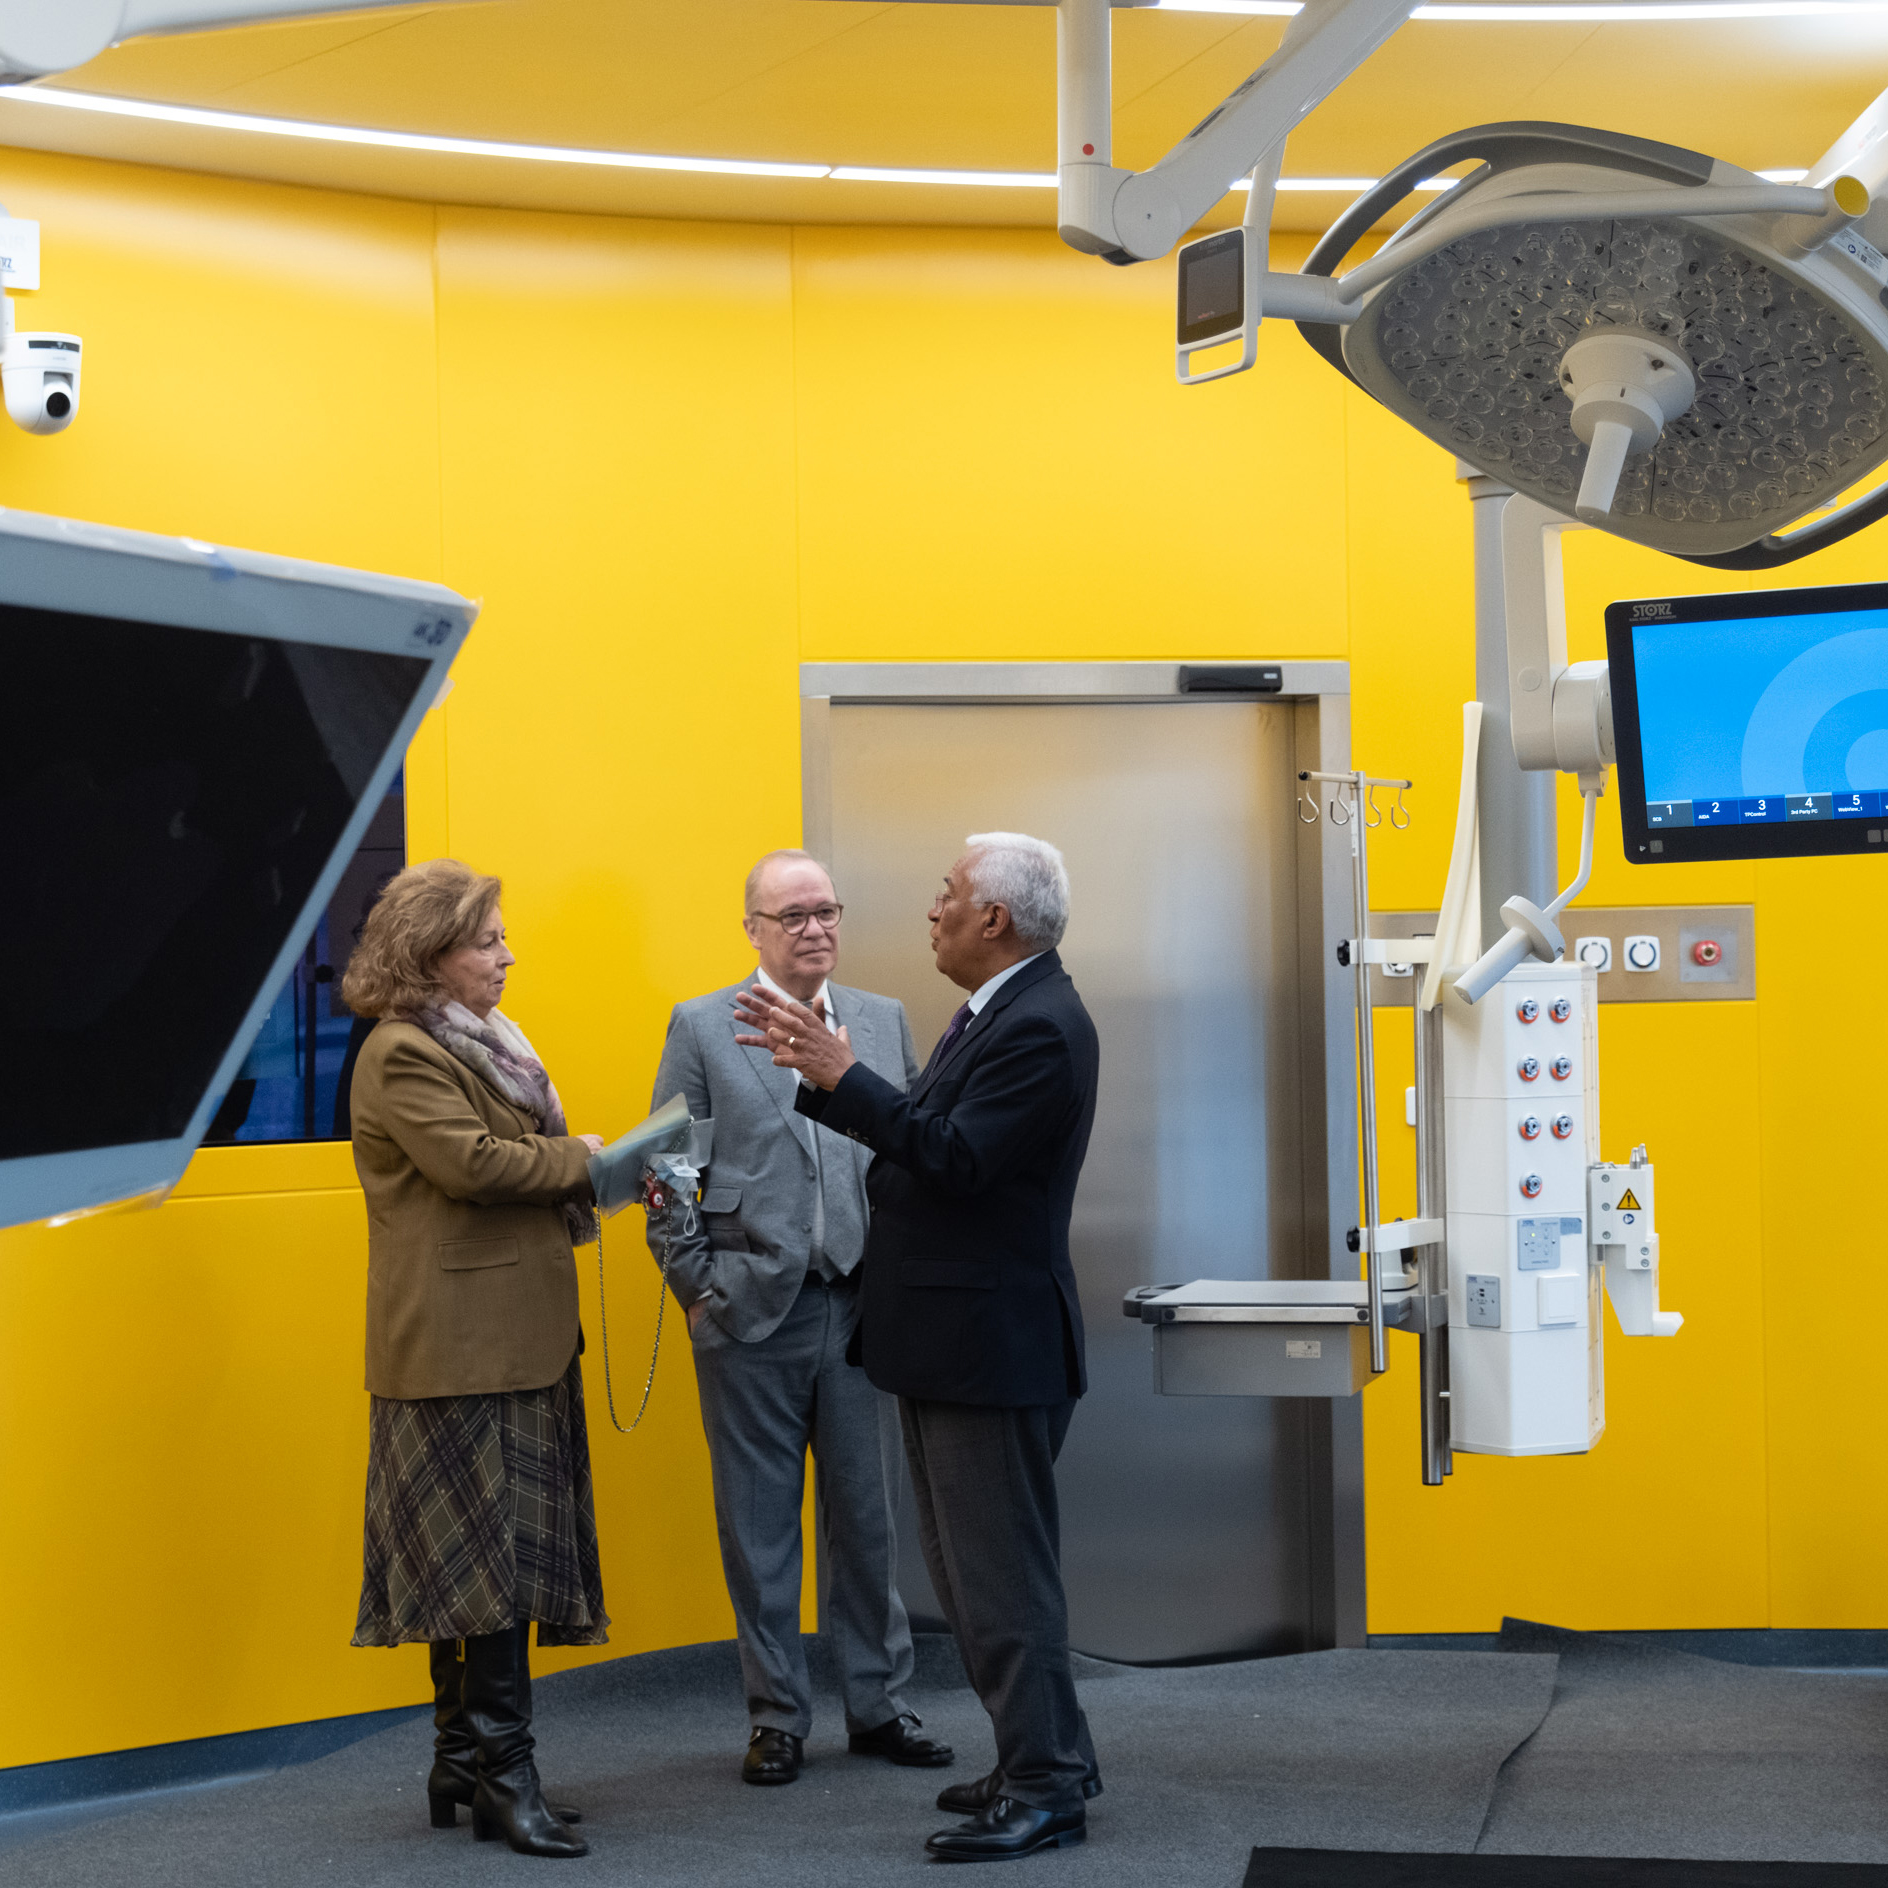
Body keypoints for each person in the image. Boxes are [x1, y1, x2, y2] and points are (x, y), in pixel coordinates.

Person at [734, 831, 1102, 1865]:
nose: (930, 911)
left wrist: (841, 1074)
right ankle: (1046, 1755)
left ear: (995, 919)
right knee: (974, 1574)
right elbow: (929, 1148)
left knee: (1001, 1582)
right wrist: (838, 1079)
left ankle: (1045, 1786)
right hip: (954, 1343)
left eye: (946, 895)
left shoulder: (1037, 1024)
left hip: (990, 1348)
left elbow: (956, 1157)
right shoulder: (997, 1012)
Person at [650, 848, 951, 1786]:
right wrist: (697, 1288)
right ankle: (778, 1716)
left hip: (862, 1314)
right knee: (760, 1528)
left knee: (869, 1526)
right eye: (793, 915)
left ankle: (879, 1705)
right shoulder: (703, 1027)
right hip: (749, 1316)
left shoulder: (880, 1019)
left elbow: (908, 1153)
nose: (815, 928)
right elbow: (668, 1173)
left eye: (827, 910)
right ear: (753, 929)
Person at [342, 857, 606, 1861]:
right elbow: (477, 1164)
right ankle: (505, 1776)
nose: (507, 954)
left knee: (487, 1560)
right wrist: (593, 1155)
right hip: (458, 1349)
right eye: (487, 938)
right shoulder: (400, 1051)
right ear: (430, 954)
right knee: (483, 1569)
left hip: (505, 1342)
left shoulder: (482, 1041)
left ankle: (461, 1758)